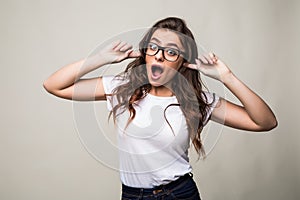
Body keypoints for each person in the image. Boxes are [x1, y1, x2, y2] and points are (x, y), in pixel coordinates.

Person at [43, 17, 277, 200]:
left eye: (171, 51)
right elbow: (53, 85)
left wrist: (227, 77)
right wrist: (101, 58)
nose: (160, 56)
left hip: (179, 194)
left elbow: (265, 122)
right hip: (132, 195)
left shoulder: (198, 101)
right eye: (153, 47)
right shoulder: (121, 89)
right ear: (145, 54)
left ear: (183, 61)